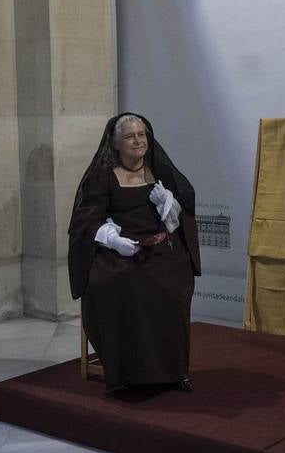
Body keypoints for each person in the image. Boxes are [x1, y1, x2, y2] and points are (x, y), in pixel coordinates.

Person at [67, 112, 200, 391]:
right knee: (123, 283)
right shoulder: (102, 177)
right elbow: (85, 221)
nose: (137, 140)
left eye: (141, 135)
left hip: (162, 249)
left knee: (174, 282)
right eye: (129, 136)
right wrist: (112, 239)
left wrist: (171, 206)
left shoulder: (159, 171)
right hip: (121, 253)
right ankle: (131, 374)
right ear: (115, 143)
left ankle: (174, 371)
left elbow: (185, 210)